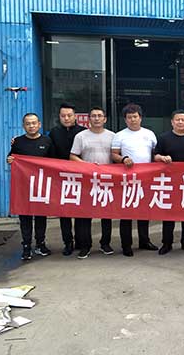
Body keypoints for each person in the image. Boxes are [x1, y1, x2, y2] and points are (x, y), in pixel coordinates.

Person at [111, 103, 158, 256]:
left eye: (135, 117)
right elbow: (114, 154)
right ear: (125, 119)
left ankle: (144, 241)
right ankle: (126, 245)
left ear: (140, 118)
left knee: (144, 212)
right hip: (127, 179)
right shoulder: (119, 135)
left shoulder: (149, 134)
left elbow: (155, 154)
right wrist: (123, 159)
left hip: (146, 178)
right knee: (126, 213)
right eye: (129, 117)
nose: (132, 120)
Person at [69, 106, 116, 259]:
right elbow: (73, 156)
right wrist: (87, 166)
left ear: (105, 119)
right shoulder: (81, 136)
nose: (96, 118)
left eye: (99, 116)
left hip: (106, 181)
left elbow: (117, 156)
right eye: (93, 116)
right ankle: (85, 246)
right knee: (85, 215)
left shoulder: (113, 136)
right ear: (89, 119)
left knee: (106, 214)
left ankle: (105, 243)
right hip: (87, 180)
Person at [7, 113, 55, 260]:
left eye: (34, 123)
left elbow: (54, 162)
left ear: (39, 124)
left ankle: (40, 244)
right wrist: (10, 160)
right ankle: (26, 246)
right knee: (25, 217)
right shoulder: (18, 142)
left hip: (41, 186)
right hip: (23, 186)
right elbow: (11, 157)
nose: (31, 126)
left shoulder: (47, 141)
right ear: (24, 126)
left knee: (41, 216)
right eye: (28, 124)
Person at [154, 109, 184, 255]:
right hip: (169, 181)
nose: (180, 122)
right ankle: (167, 243)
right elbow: (155, 156)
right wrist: (162, 158)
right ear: (172, 122)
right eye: (177, 120)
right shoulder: (163, 138)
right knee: (169, 213)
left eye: (183, 120)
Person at [48, 103, 86, 256]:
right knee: (64, 212)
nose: (66, 118)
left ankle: (81, 241)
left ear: (75, 116)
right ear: (59, 117)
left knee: (81, 211)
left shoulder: (83, 132)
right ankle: (68, 242)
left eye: (69, 115)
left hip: (81, 177)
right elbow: (48, 153)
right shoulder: (54, 133)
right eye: (63, 116)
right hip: (61, 178)